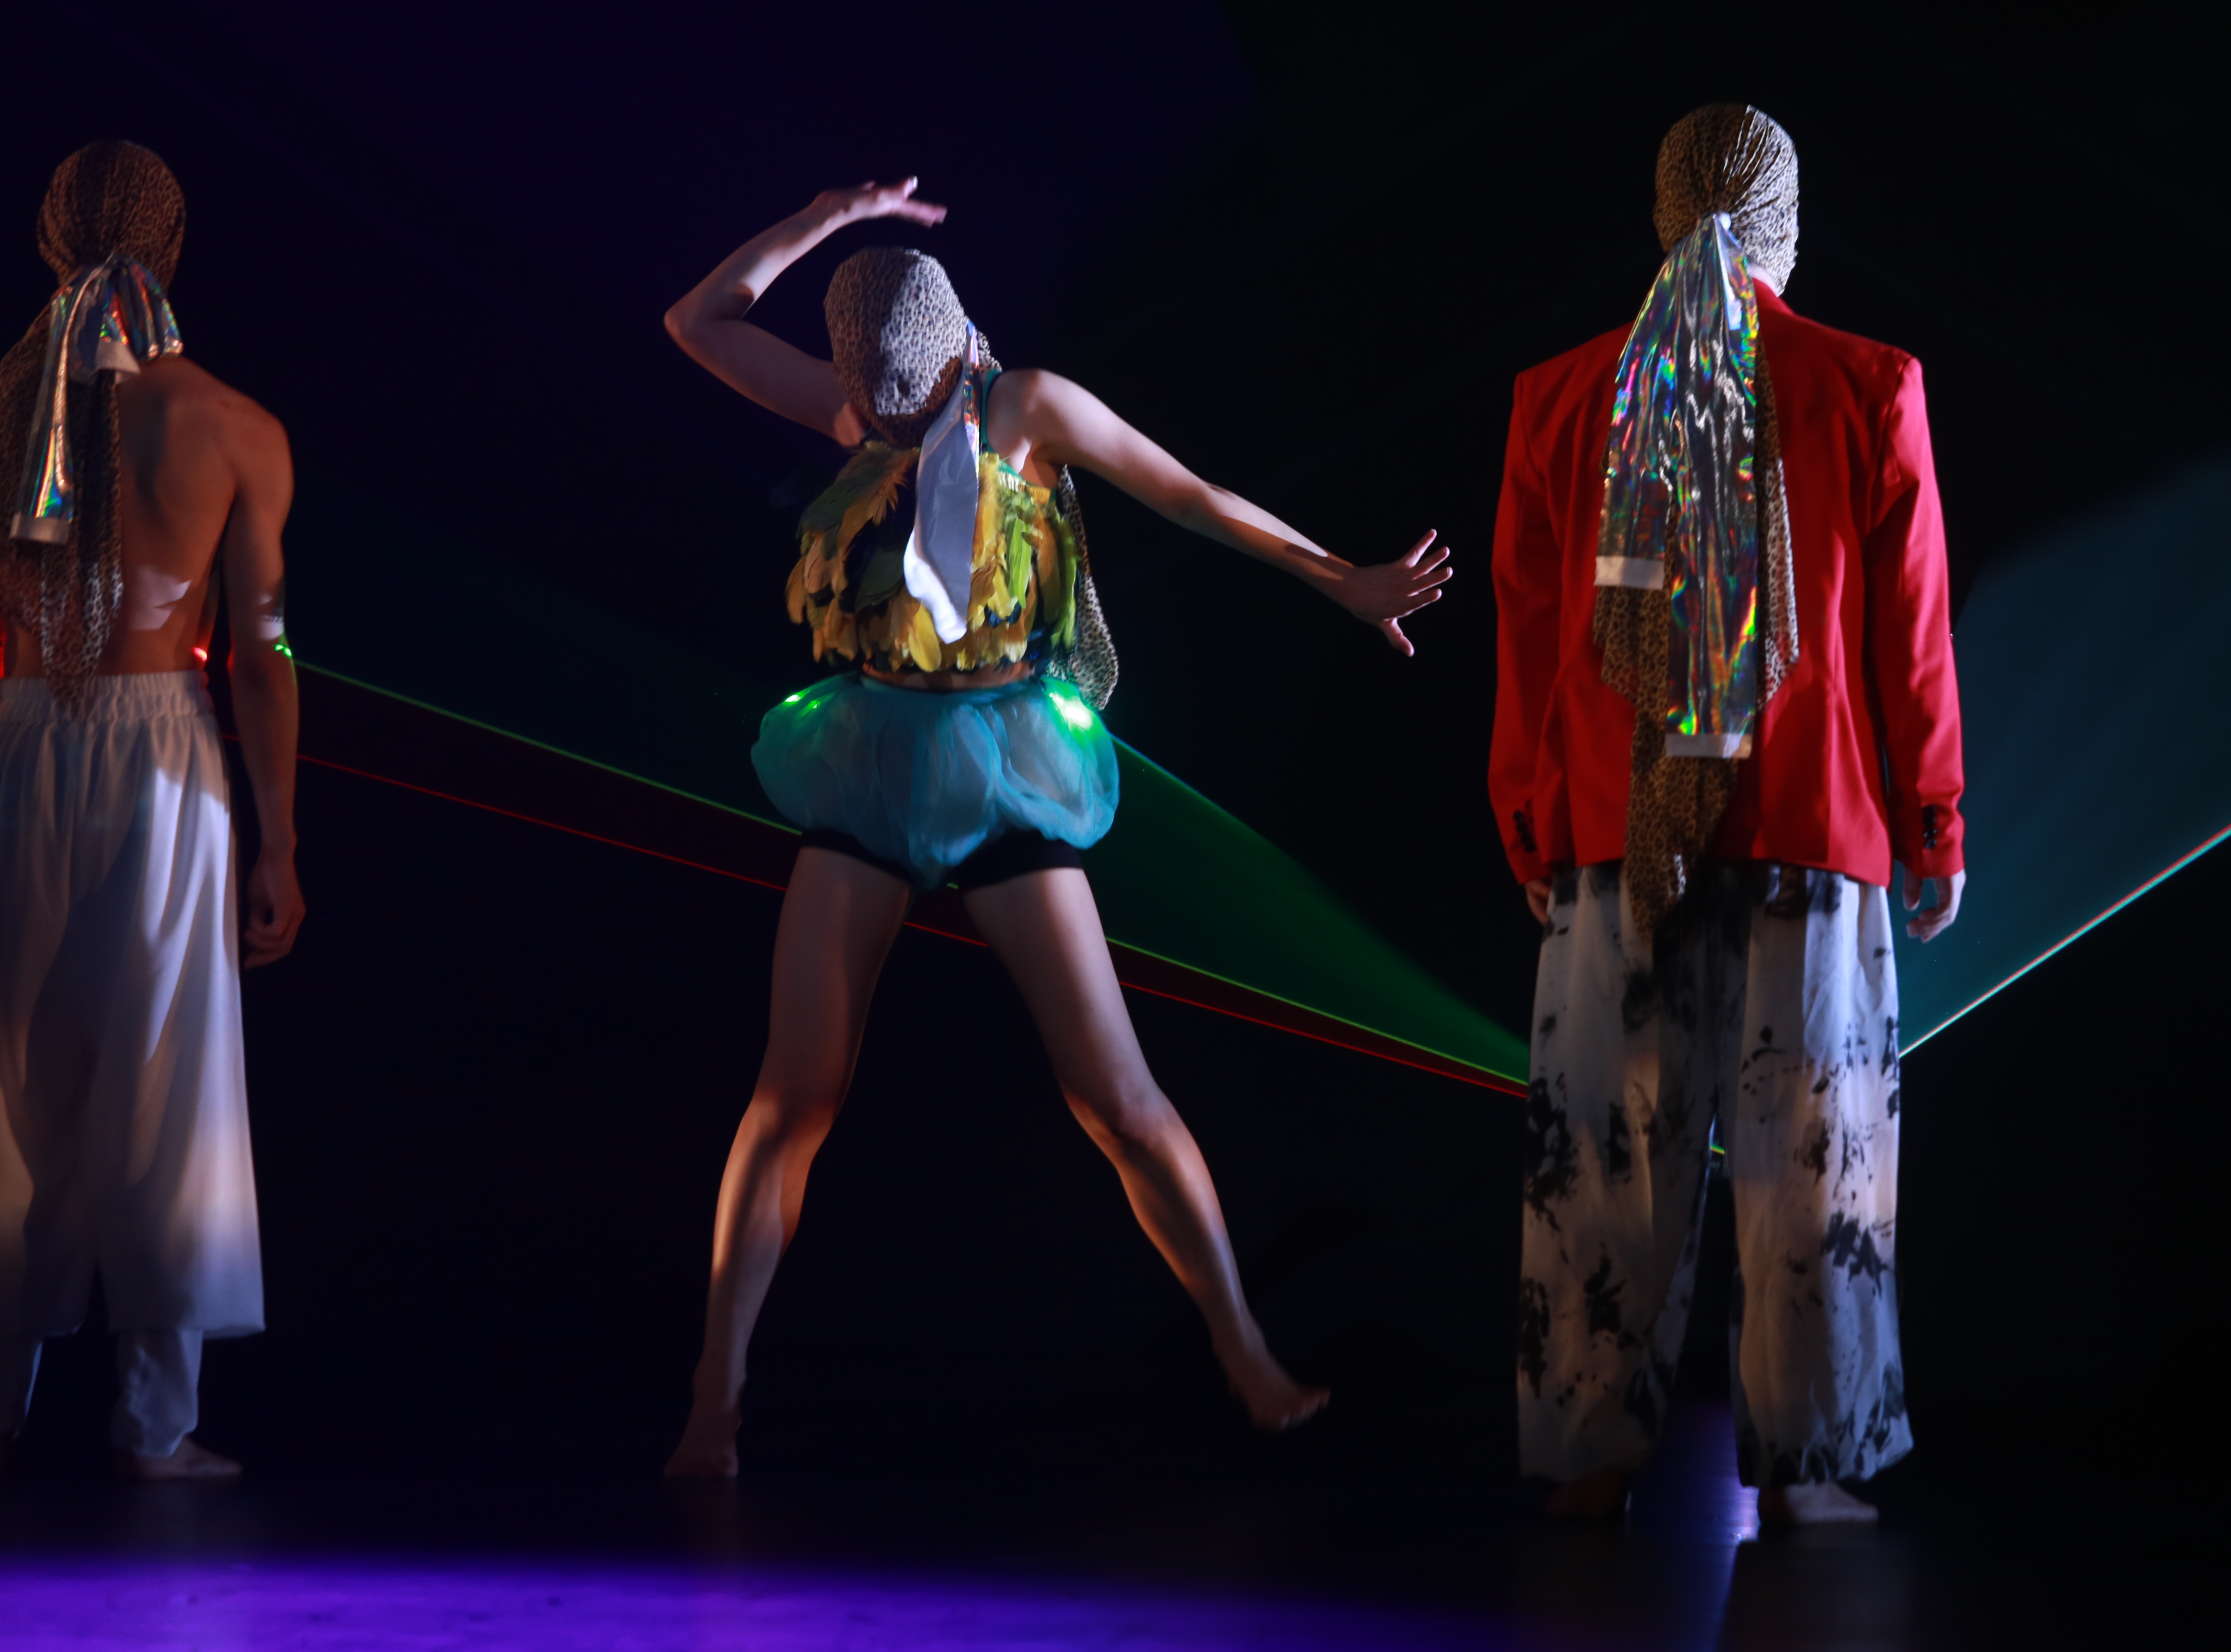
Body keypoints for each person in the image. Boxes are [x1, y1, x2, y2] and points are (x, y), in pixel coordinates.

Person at [660, 178, 1450, 1476]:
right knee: (794, 1092)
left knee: (1117, 1098)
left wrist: (1341, 579)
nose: (883, 429)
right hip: (870, 760)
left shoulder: (1025, 408)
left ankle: (1244, 1351)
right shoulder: (862, 407)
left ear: (952, 359)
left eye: (904, 409)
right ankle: (716, 1391)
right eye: (873, 412)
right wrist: (826, 217)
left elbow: (1193, 496)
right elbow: (699, 324)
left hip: (1003, 767)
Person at [1489, 106, 1965, 1527]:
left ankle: (1588, 1456)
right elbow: (1910, 635)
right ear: (1787, 227)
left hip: (1609, 826)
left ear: (1662, 217)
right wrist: (1934, 820)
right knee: (1811, 1168)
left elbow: (1530, 636)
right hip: (1808, 829)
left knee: (1606, 1160)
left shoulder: (1560, 396)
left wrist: (1529, 815)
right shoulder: (1868, 383)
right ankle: (1813, 1469)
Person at [0, 141, 303, 1482]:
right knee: (164, 1072)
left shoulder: (3, 406)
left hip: (16, 746)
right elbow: (263, 651)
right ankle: (155, 1422)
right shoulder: (233, 425)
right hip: (164, 759)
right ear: (171, 251)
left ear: (49, 243)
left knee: (9, 1069)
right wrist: (281, 842)